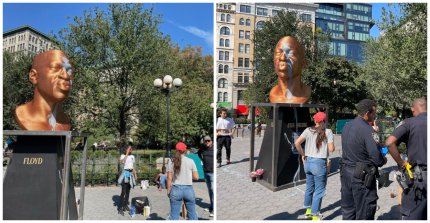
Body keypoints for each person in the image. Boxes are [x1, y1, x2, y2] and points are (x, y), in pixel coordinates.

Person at [340, 99, 387, 220]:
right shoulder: (368, 130)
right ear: (367, 113)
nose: (375, 115)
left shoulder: (347, 126)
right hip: (361, 177)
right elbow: (376, 157)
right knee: (365, 212)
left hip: (346, 174)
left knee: (348, 212)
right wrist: (383, 160)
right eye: (373, 113)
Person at [385, 98, 427, 220]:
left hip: (419, 181)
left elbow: (389, 142)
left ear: (413, 109)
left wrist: (401, 162)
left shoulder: (410, 122)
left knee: (413, 216)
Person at [15, 50, 73, 131]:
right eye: (55, 68)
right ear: (34, 76)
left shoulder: (65, 123)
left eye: (69, 70)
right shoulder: (22, 116)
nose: (66, 76)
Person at [294, 112, 335, 220]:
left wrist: (303, 155)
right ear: (324, 121)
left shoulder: (308, 130)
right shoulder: (328, 131)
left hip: (308, 162)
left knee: (309, 188)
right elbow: (331, 149)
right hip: (319, 163)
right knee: (319, 190)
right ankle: (315, 215)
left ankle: (308, 211)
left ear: (315, 120)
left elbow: (297, 143)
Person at [269, 36, 311, 104]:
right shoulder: (272, 94)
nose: (282, 58)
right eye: (278, 52)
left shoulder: (306, 92)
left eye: (290, 53)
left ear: (303, 63)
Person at [167, 142, 199, 220]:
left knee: (174, 215)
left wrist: (168, 191)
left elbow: (169, 178)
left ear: (176, 150)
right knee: (192, 215)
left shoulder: (171, 161)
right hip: (188, 189)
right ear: (185, 150)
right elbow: (196, 177)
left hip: (176, 189)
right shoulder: (190, 161)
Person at [117, 144, 137, 216]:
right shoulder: (122, 156)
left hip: (130, 174)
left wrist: (135, 175)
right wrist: (127, 153)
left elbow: (132, 166)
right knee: (123, 191)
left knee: (128, 191)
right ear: (126, 149)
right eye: (129, 149)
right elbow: (122, 162)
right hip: (125, 174)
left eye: (131, 149)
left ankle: (125, 205)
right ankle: (120, 208)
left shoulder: (132, 156)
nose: (131, 150)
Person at [198, 136, 214, 217]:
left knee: (213, 190)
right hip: (206, 172)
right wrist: (202, 160)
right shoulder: (203, 148)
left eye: (208, 141)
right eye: (206, 141)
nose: (207, 142)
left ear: (211, 141)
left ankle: (214, 210)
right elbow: (198, 153)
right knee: (210, 191)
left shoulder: (214, 148)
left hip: (213, 173)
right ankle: (211, 206)